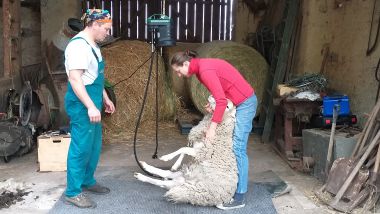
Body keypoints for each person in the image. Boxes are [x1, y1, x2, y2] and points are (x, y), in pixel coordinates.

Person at [171, 51, 257, 210]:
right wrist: (212, 103)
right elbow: (221, 89)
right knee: (233, 146)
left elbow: (222, 101)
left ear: (186, 64)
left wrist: (212, 128)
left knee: (238, 147)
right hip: (237, 100)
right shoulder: (199, 71)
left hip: (246, 103)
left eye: (178, 71)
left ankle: (240, 196)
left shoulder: (204, 71)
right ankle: (230, 184)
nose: (179, 75)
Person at [64, 9, 115, 208]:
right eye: (106, 28)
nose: (107, 33)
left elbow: (95, 76)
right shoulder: (78, 46)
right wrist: (91, 106)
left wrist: (105, 98)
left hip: (93, 101)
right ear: (94, 25)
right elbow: (75, 80)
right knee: (81, 146)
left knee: (93, 145)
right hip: (82, 104)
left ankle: (87, 180)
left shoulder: (92, 44)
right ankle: (73, 191)